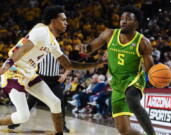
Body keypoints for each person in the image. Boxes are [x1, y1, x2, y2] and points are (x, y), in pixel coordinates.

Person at [0, 5, 102, 135]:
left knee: (55, 102)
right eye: (63, 20)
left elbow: (68, 64)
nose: (66, 23)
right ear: (53, 21)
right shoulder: (41, 31)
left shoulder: (53, 42)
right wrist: (8, 63)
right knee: (23, 116)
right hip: (14, 72)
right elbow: (23, 48)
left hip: (30, 74)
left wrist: (95, 64)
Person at [81, 6, 156, 135]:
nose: (123, 21)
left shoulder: (143, 42)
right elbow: (90, 48)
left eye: (128, 19)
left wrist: (160, 75)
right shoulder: (109, 34)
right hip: (116, 84)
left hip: (134, 80)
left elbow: (151, 70)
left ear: (136, 24)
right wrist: (84, 48)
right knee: (124, 130)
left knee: (132, 99)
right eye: (122, 19)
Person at [8, 53, 70, 133]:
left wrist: (64, 75)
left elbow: (69, 66)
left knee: (60, 102)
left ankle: (62, 125)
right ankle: (18, 121)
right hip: (41, 79)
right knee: (30, 101)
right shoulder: (40, 51)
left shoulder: (60, 53)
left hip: (55, 81)